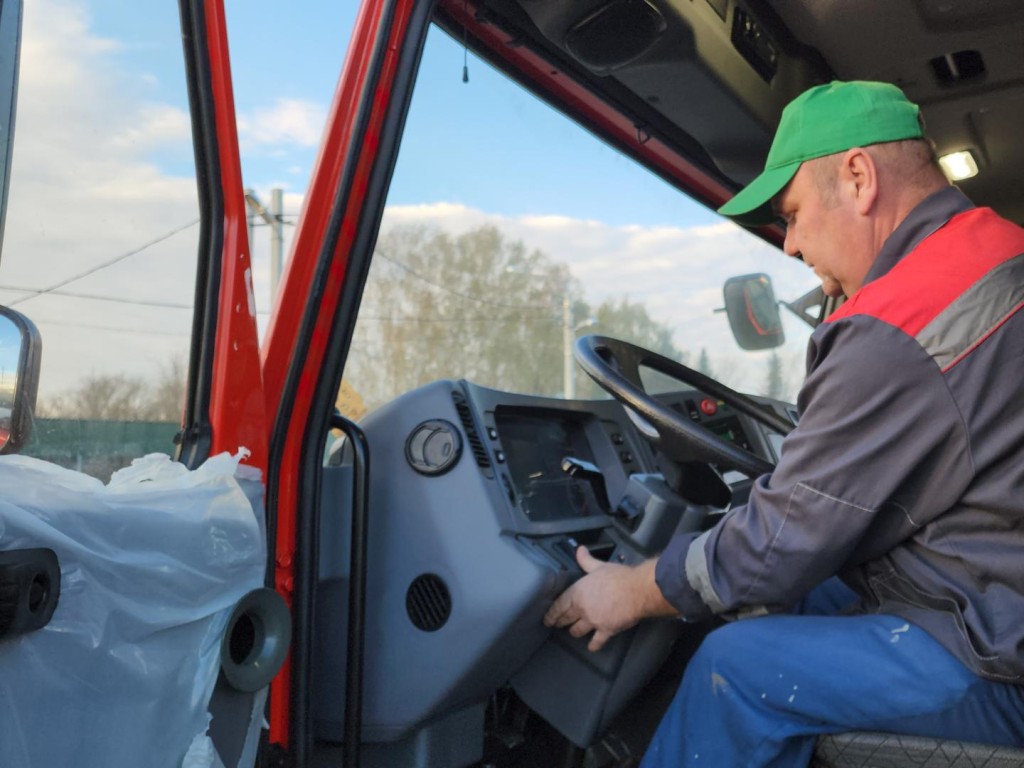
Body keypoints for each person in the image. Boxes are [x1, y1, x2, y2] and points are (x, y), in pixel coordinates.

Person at [543, 80, 1024, 766]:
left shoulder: (899, 322)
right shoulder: (996, 249)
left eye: (793, 214)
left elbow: (778, 539)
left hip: (997, 656)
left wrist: (631, 589)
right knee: (795, 595)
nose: (792, 245)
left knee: (737, 667)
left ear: (858, 177)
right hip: (990, 590)